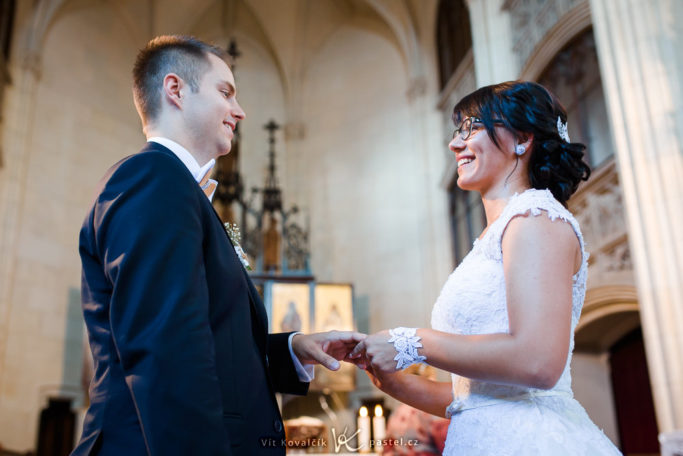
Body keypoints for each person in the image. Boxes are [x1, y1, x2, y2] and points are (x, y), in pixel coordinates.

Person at [73, 35, 364, 456]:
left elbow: (204, 337)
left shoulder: (177, 190)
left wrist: (290, 349)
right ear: (175, 89)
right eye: (225, 92)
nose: (240, 111)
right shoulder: (153, 179)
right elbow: (166, 356)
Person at [350, 81, 622, 454]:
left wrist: (411, 342)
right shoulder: (494, 237)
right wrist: (393, 382)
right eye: (457, 130)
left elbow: (538, 362)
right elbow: (474, 400)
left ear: (521, 139)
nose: (455, 143)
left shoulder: (535, 218)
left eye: (472, 127)